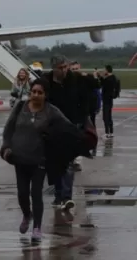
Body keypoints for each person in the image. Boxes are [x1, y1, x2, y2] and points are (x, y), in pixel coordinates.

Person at [1, 78, 68, 242]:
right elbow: (8, 129)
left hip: (40, 159)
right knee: (22, 194)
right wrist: (6, 147)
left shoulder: (52, 111)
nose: (36, 95)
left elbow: (66, 129)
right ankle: (27, 215)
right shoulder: (20, 107)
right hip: (19, 157)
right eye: (33, 92)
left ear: (45, 95)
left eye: (40, 93)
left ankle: (37, 227)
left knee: (36, 193)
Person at [43, 55, 91, 210]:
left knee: (68, 163)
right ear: (54, 68)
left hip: (71, 126)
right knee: (54, 163)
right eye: (60, 68)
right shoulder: (46, 82)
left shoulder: (76, 80)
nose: (64, 70)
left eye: (65, 67)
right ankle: (58, 194)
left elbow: (86, 99)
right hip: (53, 127)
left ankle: (66, 197)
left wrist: (83, 120)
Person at [99, 65, 119, 138]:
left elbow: (102, 84)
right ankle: (111, 132)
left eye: (104, 70)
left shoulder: (108, 79)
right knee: (109, 116)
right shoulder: (114, 78)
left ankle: (107, 132)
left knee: (105, 117)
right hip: (110, 100)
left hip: (106, 100)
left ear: (107, 70)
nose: (103, 71)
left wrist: (100, 77)